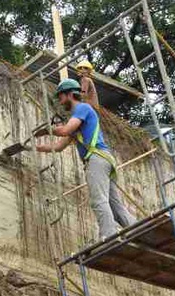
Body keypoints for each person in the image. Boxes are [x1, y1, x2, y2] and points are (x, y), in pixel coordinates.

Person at [36, 78, 136, 240]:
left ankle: (108, 235)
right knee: (115, 206)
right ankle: (135, 230)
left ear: (69, 94)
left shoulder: (82, 108)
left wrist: (48, 130)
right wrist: (36, 148)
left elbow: (64, 130)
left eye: (61, 97)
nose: (60, 102)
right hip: (102, 160)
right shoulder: (78, 121)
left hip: (96, 159)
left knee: (98, 200)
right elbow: (59, 146)